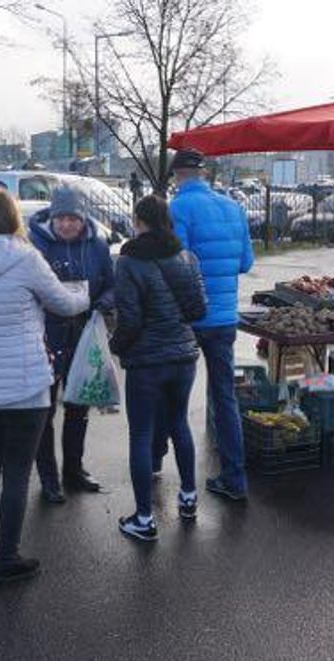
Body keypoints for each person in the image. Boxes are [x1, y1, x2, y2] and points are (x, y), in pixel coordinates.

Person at [0, 189, 89, 583]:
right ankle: (7, 556)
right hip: (24, 382)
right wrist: (86, 291)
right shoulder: (26, 256)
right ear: (14, 219)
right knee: (17, 472)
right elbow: (63, 303)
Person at [111, 195, 207, 541]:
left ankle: (144, 518)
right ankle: (189, 497)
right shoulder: (186, 256)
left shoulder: (128, 261)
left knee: (140, 435)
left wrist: (115, 347)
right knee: (179, 423)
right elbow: (198, 310)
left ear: (139, 221)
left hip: (147, 362)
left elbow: (130, 320)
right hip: (183, 358)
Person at [168, 147, 254, 502]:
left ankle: (157, 458)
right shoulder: (234, 208)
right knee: (224, 396)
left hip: (189, 317)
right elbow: (246, 262)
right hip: (224, 318)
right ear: (202, 173)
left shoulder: (178, 208)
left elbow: (179, 264)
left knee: (172, 395)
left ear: (177, 175)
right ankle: (235, 477)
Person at [27, 186, 115, 503]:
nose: (67, 225)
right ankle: (49, 478)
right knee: (44, 410)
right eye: (62, 218)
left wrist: (102, 304)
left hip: (83, 335)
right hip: (45, 337)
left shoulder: (97, 246)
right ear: (53, 218)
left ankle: (73, 470)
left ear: (83, 218)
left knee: (79, 406)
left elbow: (111, 285)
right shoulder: (34, 246)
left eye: (74, 219)